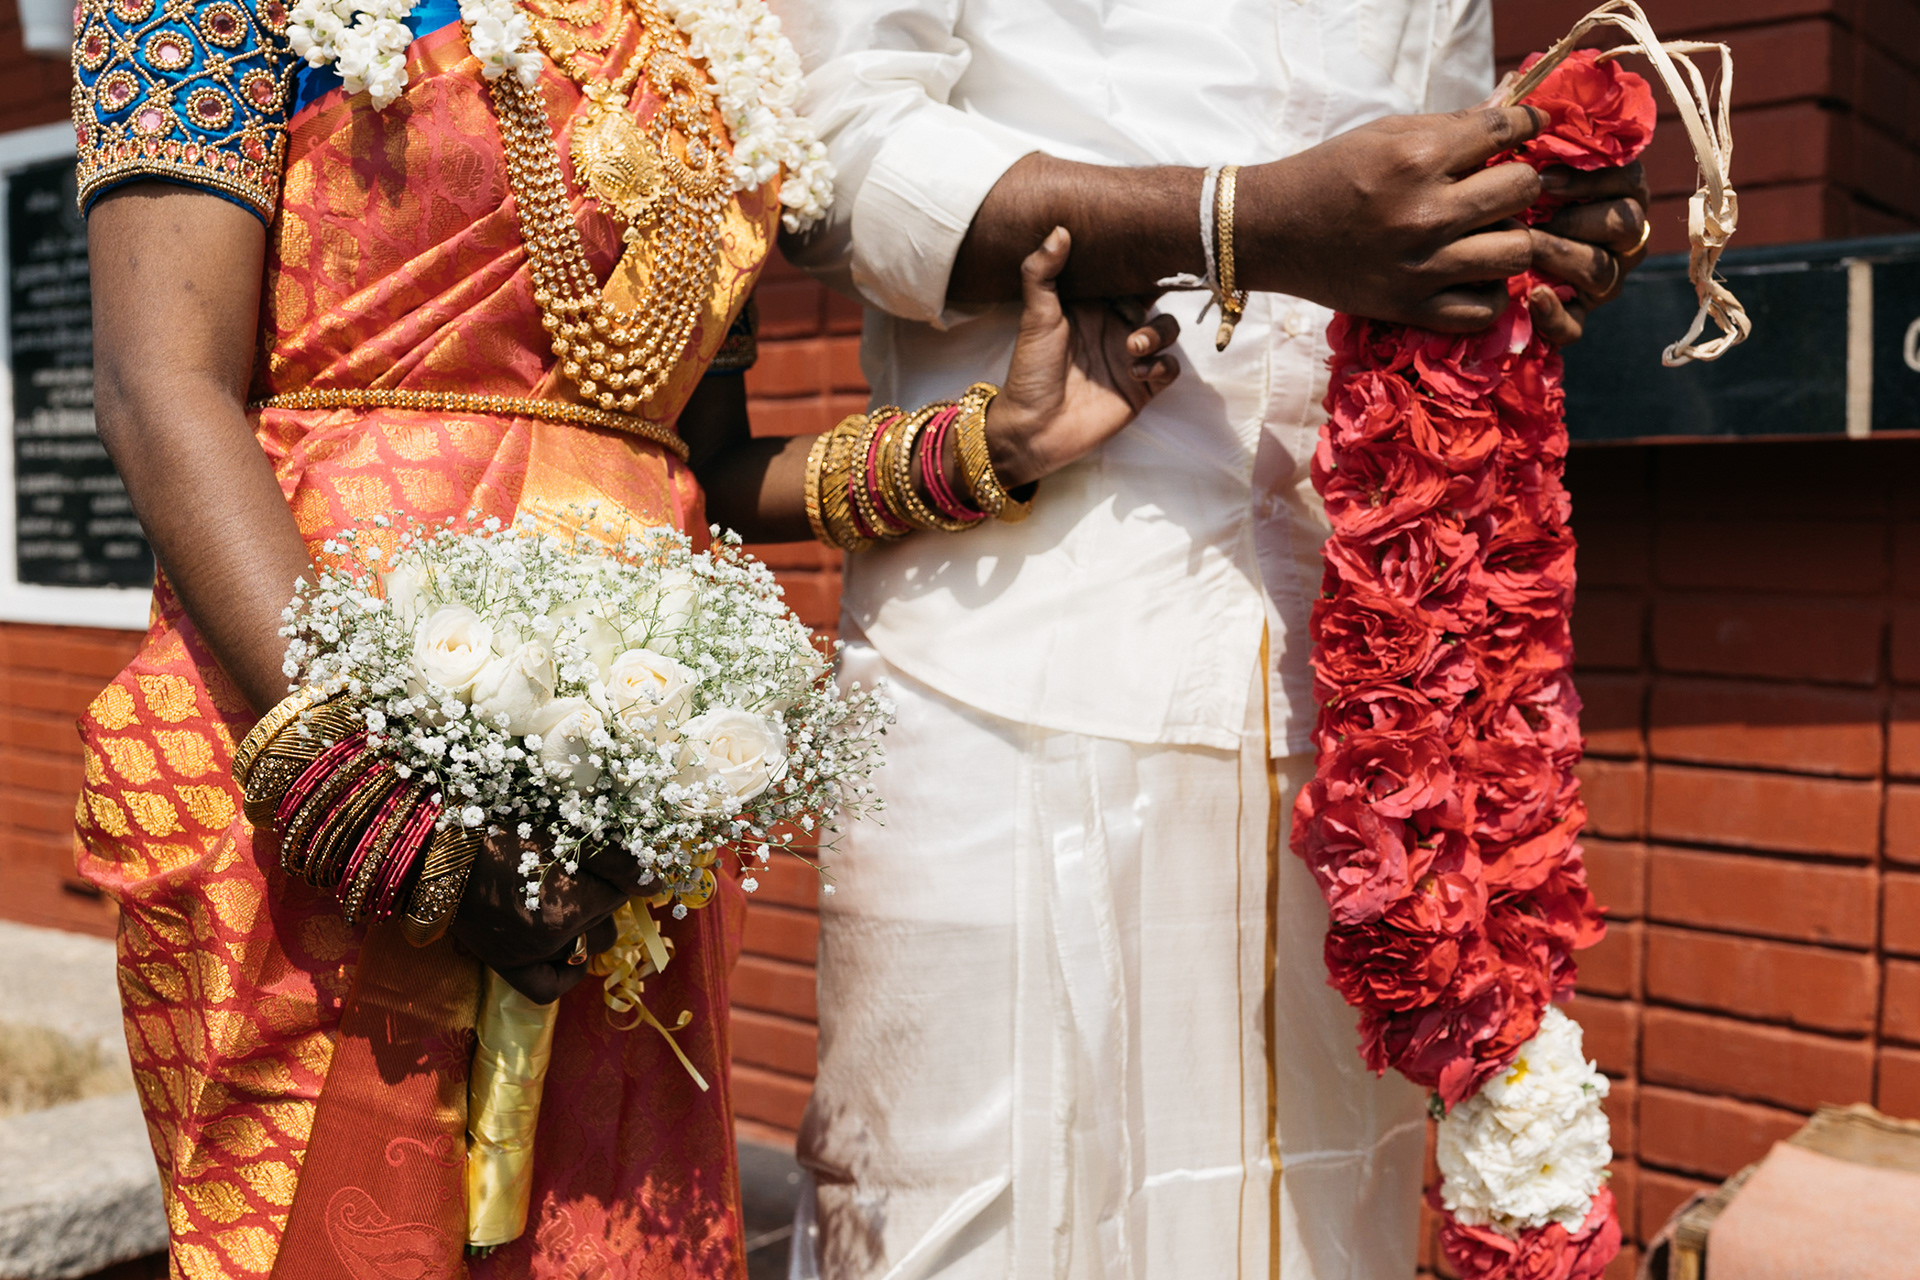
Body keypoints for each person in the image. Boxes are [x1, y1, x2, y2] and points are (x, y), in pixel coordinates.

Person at [67, 0, 1179, 1270]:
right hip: (317, 748)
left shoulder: (713, 34)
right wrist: (397, 817)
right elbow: (160, 386)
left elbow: (693, 459)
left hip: (627, 797)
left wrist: (989, 445)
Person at [775, 2, 1653, 1276]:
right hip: (1015, 629)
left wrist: (1506, 237)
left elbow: (1418, 178)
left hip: (1357, 706)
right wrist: (1244, 221)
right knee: (972, 1224)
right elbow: (831, 156)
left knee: (1317, 1231)